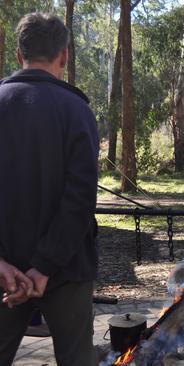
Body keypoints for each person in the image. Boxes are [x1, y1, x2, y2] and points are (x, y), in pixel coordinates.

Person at [0, 13, 99, 365]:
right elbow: (81, 200)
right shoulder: (77, 111)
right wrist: (43, 267)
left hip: (4, 275)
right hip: (67, 272)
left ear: (18, 54)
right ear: (65, 56)